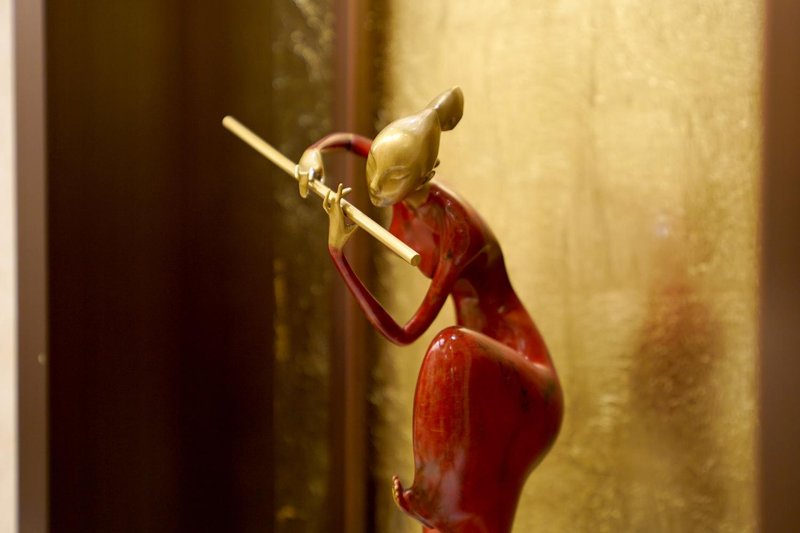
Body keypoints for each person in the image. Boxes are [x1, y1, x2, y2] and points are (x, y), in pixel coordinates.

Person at [298, 87, 563, 533]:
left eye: (393, 178)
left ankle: (433, 491)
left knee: (447, 349)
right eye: (374, 169)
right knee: (467, 521)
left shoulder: (458, 231)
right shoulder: (394, 172)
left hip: (519, 372)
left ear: (427, 174)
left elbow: (405, 333)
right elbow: (348, 143)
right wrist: (313, 153)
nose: (378, 186)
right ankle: (439, 501)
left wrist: (339, 255)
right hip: (479, 374)